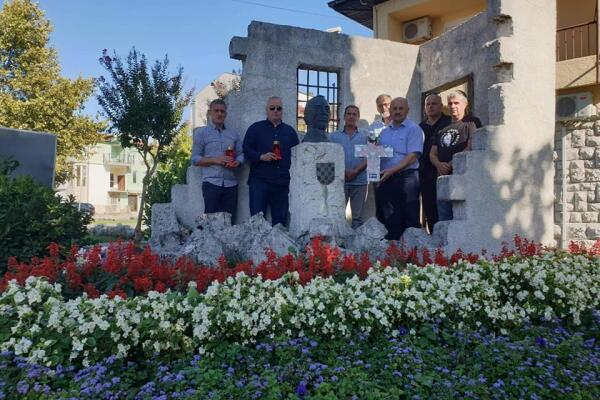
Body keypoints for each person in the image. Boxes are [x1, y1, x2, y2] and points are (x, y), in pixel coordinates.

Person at [243, 96, 300, 227]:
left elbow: (297, 156)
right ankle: (258, 248)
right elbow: (246, 149)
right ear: (266, 110)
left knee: (280, 223)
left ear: (282, 110)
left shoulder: (290, 132)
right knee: (257, 221)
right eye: (272, 108)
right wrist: (261, 156)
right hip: (259, 182)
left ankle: (278, 248)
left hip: (282, 184)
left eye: (278, 108)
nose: (275, 111)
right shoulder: (255, 128)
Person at [376, 97, 424, 240]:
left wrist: (393, 169)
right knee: (389, 218)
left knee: (410, 217)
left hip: (407, 178)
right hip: (386, 178)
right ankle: (392, 254)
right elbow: (377, 153)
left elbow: (413, 155)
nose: (397, 111)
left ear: (407, 110)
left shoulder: (414, 129)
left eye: (400, 108)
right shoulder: (384, 133)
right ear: (390, 110)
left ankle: (412, 256)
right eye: (394, 108)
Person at [191, 99, 244, 223]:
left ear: (226, 114)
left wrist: (238, 162)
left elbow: (241, 154)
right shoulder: (201, 133)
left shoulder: (233, 134)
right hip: (211, 183)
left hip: (231, 184)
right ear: (210, 112)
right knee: (210, 223)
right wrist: (216, 160)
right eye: (216, 111)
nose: (219, 114)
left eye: (222, 111)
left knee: (230, 223)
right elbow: (195, 159)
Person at [430, 91, 477, 222]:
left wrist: (450, 164)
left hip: (461, 178)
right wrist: (439, 164)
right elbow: (432, 153)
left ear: (465, 104)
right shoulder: (441, 127)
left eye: (456, 103)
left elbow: (470, 146)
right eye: (450, 103)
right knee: (444, 220)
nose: (452, 106)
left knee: (461, 220)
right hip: (442, 179)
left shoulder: (471, 123)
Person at [330, 105, 368, 229]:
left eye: (354, 114)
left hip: (360, 181)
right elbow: (330, 157)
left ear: (358, 117)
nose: (351, 116)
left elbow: (371, 157)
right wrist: (344, 171)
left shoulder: (366, 137)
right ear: (344, 116)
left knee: (357, 218)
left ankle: (357, 246)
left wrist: (356, 171)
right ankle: (339, 246)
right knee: (338, 216)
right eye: (349, 114)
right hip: (340, 181)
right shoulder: (333, 137)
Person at [419, 94, 451, 233]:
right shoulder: (420, 127)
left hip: (444, 171)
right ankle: (434, 239)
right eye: (428, 104)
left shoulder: (448, 123)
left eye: (434, 104)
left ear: (441, 106)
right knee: (430, 208)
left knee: (445, 210)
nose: (430, 107)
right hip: (425, 173)